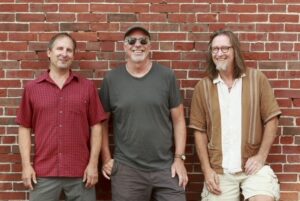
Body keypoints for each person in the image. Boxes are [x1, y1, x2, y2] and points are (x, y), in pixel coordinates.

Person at [189, 29, 281, 201]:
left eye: (225, 48)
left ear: (235, 51)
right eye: (215, 49)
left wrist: (261, 156)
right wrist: (207, 170)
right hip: (219, 170)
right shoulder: (203, 87)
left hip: (252, 168)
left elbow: (271, 118)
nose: (219, 53)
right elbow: (199, 131)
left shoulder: (256, 79)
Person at [99, 25, 188, 201]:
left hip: (165, 167)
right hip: (127, 170)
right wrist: (106, 158)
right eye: (131, 41)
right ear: (124, 46)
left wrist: (179, 158)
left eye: (143, 41)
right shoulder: (112, 79)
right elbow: (102, 123)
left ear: (150, 46)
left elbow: (178, 120)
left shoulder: (166, 76)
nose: (137, 45)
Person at [16, 33, 107, 201]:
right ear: (49, 52)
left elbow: (96, 126)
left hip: (81, 174)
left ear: (73, 55)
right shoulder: (32, 89)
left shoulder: (87, 87)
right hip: (43, 174)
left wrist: (93, 164)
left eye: (69, 50)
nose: (64, 53)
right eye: (60, 48)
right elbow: (24, 128)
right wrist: (26, 165)